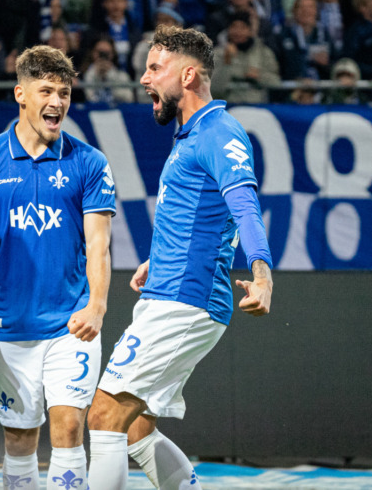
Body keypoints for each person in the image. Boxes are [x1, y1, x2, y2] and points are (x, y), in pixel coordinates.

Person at [86, 25, 273, 490]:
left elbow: (245, 206)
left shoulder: (220, 132)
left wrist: (263, 275)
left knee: (105, 415)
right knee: (136, 427)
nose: (144, 78)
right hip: (170, 291)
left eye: (155, 68)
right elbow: (199, 214)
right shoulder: (191, 135)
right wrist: (158, 258)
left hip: (184, 302)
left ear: (188, 75)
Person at [0, 45, 115, 490]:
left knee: (69, 428)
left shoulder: (90, 163)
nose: (57, 102)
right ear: (21, 94)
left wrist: (97, 306)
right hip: (9, 326)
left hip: (71, 324)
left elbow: (99, 245)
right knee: (20, 439)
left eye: (64, 93)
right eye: (47, 91)